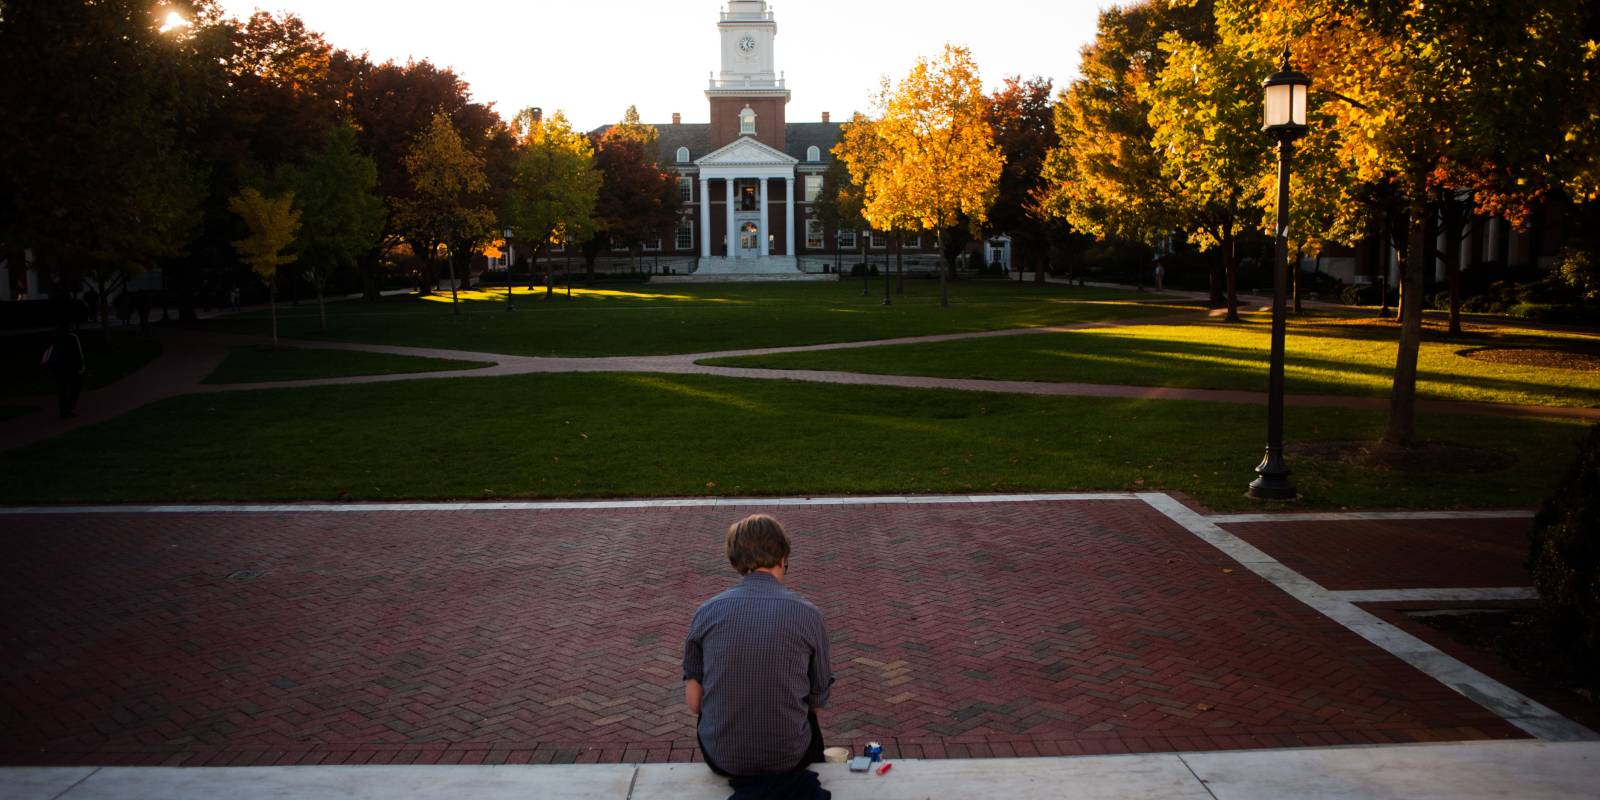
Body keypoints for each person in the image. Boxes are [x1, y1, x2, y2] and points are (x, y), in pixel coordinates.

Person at [684, 514, 834, 800]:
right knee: (807, 724)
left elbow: (694, 703)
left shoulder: (707, 612)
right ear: (783, 556)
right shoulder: (808, 615)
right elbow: (817, 701)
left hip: (723, 758)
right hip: (789, 758)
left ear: (735, 560)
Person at [43, 323, 86, 419]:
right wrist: (81, 367)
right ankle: (69, 408)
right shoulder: (72, 337)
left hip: (58, 368)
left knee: (62, 390)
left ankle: (64, 410)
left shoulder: (55, 337)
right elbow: (78, 353)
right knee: (75, 387)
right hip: (71, 368)